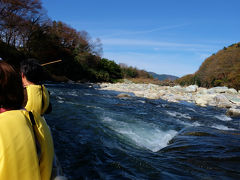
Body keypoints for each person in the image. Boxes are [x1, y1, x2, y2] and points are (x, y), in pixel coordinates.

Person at [0, 61, 54, 180]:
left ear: (23, 76)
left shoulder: (26, 92)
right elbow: (48, 108)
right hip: (34, 120)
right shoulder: (44, 90)